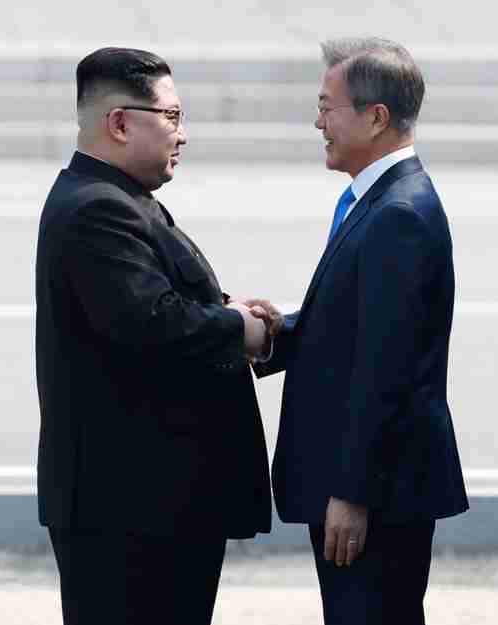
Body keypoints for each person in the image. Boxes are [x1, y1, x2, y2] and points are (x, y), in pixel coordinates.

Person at [35, 47, 272, 625]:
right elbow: (151, 323)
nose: (182, 134)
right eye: (171, 116)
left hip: (154, 507)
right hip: (130, 515)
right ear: (119, 122)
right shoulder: (97, 209)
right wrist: (239, 327)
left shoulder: (123, 201)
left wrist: (230, 314)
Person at [253, 37, 469, 625]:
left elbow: (387, 370)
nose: (317, 122)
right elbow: (354, 328)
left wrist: (354, 492)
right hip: (369, 483)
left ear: (375, 117)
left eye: (328, 107)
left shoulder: (398, 214)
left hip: (376, 492)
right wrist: (272, 333)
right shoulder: (372, 201)